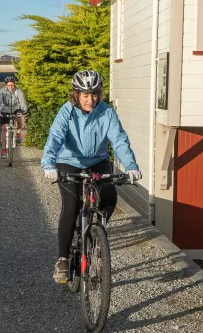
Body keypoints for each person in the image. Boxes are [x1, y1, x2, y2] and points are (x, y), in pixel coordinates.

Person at [40, 70, 141, 284]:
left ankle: (96, 235)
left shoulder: (106, 112)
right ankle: (63, 259)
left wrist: (131, 166)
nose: (90, 99)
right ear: (76, 94)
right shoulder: (66, 112)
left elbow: (119, 140)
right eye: (85, 95)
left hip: (97, 160)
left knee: (110, 198)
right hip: (69, 160)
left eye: (94, 94)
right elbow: (54, 138)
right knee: (72, 205)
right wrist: (48, 163)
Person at [0, 75, 27, 159]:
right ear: (6, 85)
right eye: (8, 85)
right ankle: (4, 150)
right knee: (4, 129)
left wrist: (23, 110)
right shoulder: (2, 91)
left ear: (14, 84)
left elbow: (23, 103)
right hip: (5, 111)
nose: (10, 87)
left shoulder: (18, 91)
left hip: (16, 110)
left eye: (12, 85)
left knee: (20, 118)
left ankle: (19, 133)